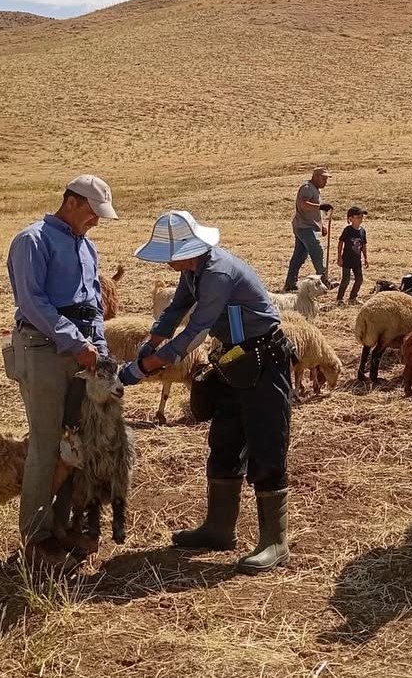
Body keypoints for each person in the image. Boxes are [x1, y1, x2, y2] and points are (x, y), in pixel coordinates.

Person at [119, 210, 295, 574]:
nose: (168, 262)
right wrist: (152, 340)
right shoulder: (193, 271)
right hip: (233, 361)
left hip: (264, 359)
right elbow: (177, 309)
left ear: (191, 248)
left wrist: (146, 368)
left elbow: (196, 331)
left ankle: (275, 541)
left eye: (172, 255)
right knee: (225, 440)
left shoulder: (216, 273)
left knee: (266, 442)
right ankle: (219, 529)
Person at [6, 174, 116, 566]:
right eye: (92, 212)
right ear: (70, 202)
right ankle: (36, 539)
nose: (96, 221)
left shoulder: (88, 247)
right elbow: (33, 303)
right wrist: (76, 342)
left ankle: (62, 527)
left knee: (75, 443)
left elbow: (93, 306)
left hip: (82, 356)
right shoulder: (31, 241)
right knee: (46, 442)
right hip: (43, 350)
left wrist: (99, 350)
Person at [283, 165, 336, 292]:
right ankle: (324, 281)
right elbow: (303, 204)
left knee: (299, 256)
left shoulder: (315, 189)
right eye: (323, 179)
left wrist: (321, 225)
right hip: (304, 227)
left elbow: (313, 211)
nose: (325, 182)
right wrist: (320, 206)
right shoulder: (307, 188)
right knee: (317, 251)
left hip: (305, 226)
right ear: (316, 177)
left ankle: (290, 283)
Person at [336, 206, 369, 304]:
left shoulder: (362, 231)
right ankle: (339, 298)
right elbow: (341, 242)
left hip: (357, 260)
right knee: (345, 280)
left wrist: (366, 258)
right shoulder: (347, 230)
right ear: (351, 219)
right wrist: (339, 257)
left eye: (362, 216)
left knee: (359, 279)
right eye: (358, 216)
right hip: (347, 259)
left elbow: (364, 245)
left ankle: (353, 297)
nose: (361, 218)